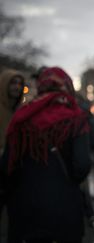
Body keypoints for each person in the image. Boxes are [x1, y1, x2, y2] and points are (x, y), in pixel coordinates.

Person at [0, 67, 91, 243]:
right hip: (65, 211)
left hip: (25, 211)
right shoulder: (76, 118)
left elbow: (6, 166)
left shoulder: (22, 116)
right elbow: (82, 165)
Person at [0, 69, 25, 243]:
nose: (16, 87)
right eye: (12, 83)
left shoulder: (21, 112)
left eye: (19, 83)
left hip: (16, 174)